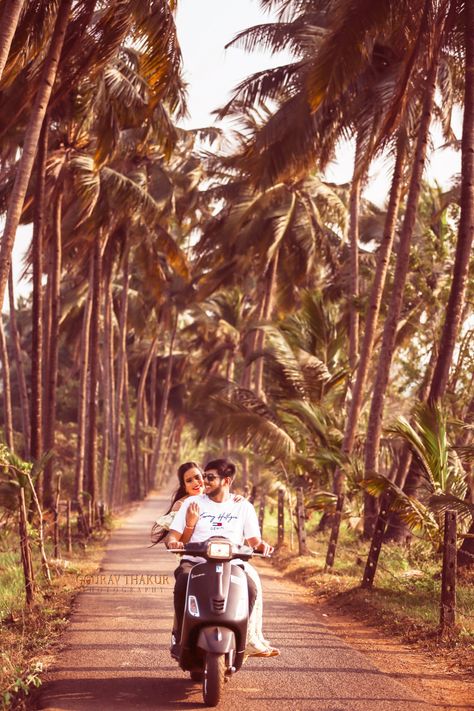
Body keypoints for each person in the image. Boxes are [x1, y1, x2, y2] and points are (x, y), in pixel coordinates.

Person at [167, 458, 279, 657]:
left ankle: (241, 640)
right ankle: (179, 635)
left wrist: (263, 546)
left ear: (226, 481)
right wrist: (175, 542)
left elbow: (254, 540)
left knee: (250, 589)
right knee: (182, 581)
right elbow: (173, 535)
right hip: (196, 561)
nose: (204, 482)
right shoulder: (192, 503)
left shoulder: (243, 506)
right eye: (204, 476)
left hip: (232, 563)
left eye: (210, 477)